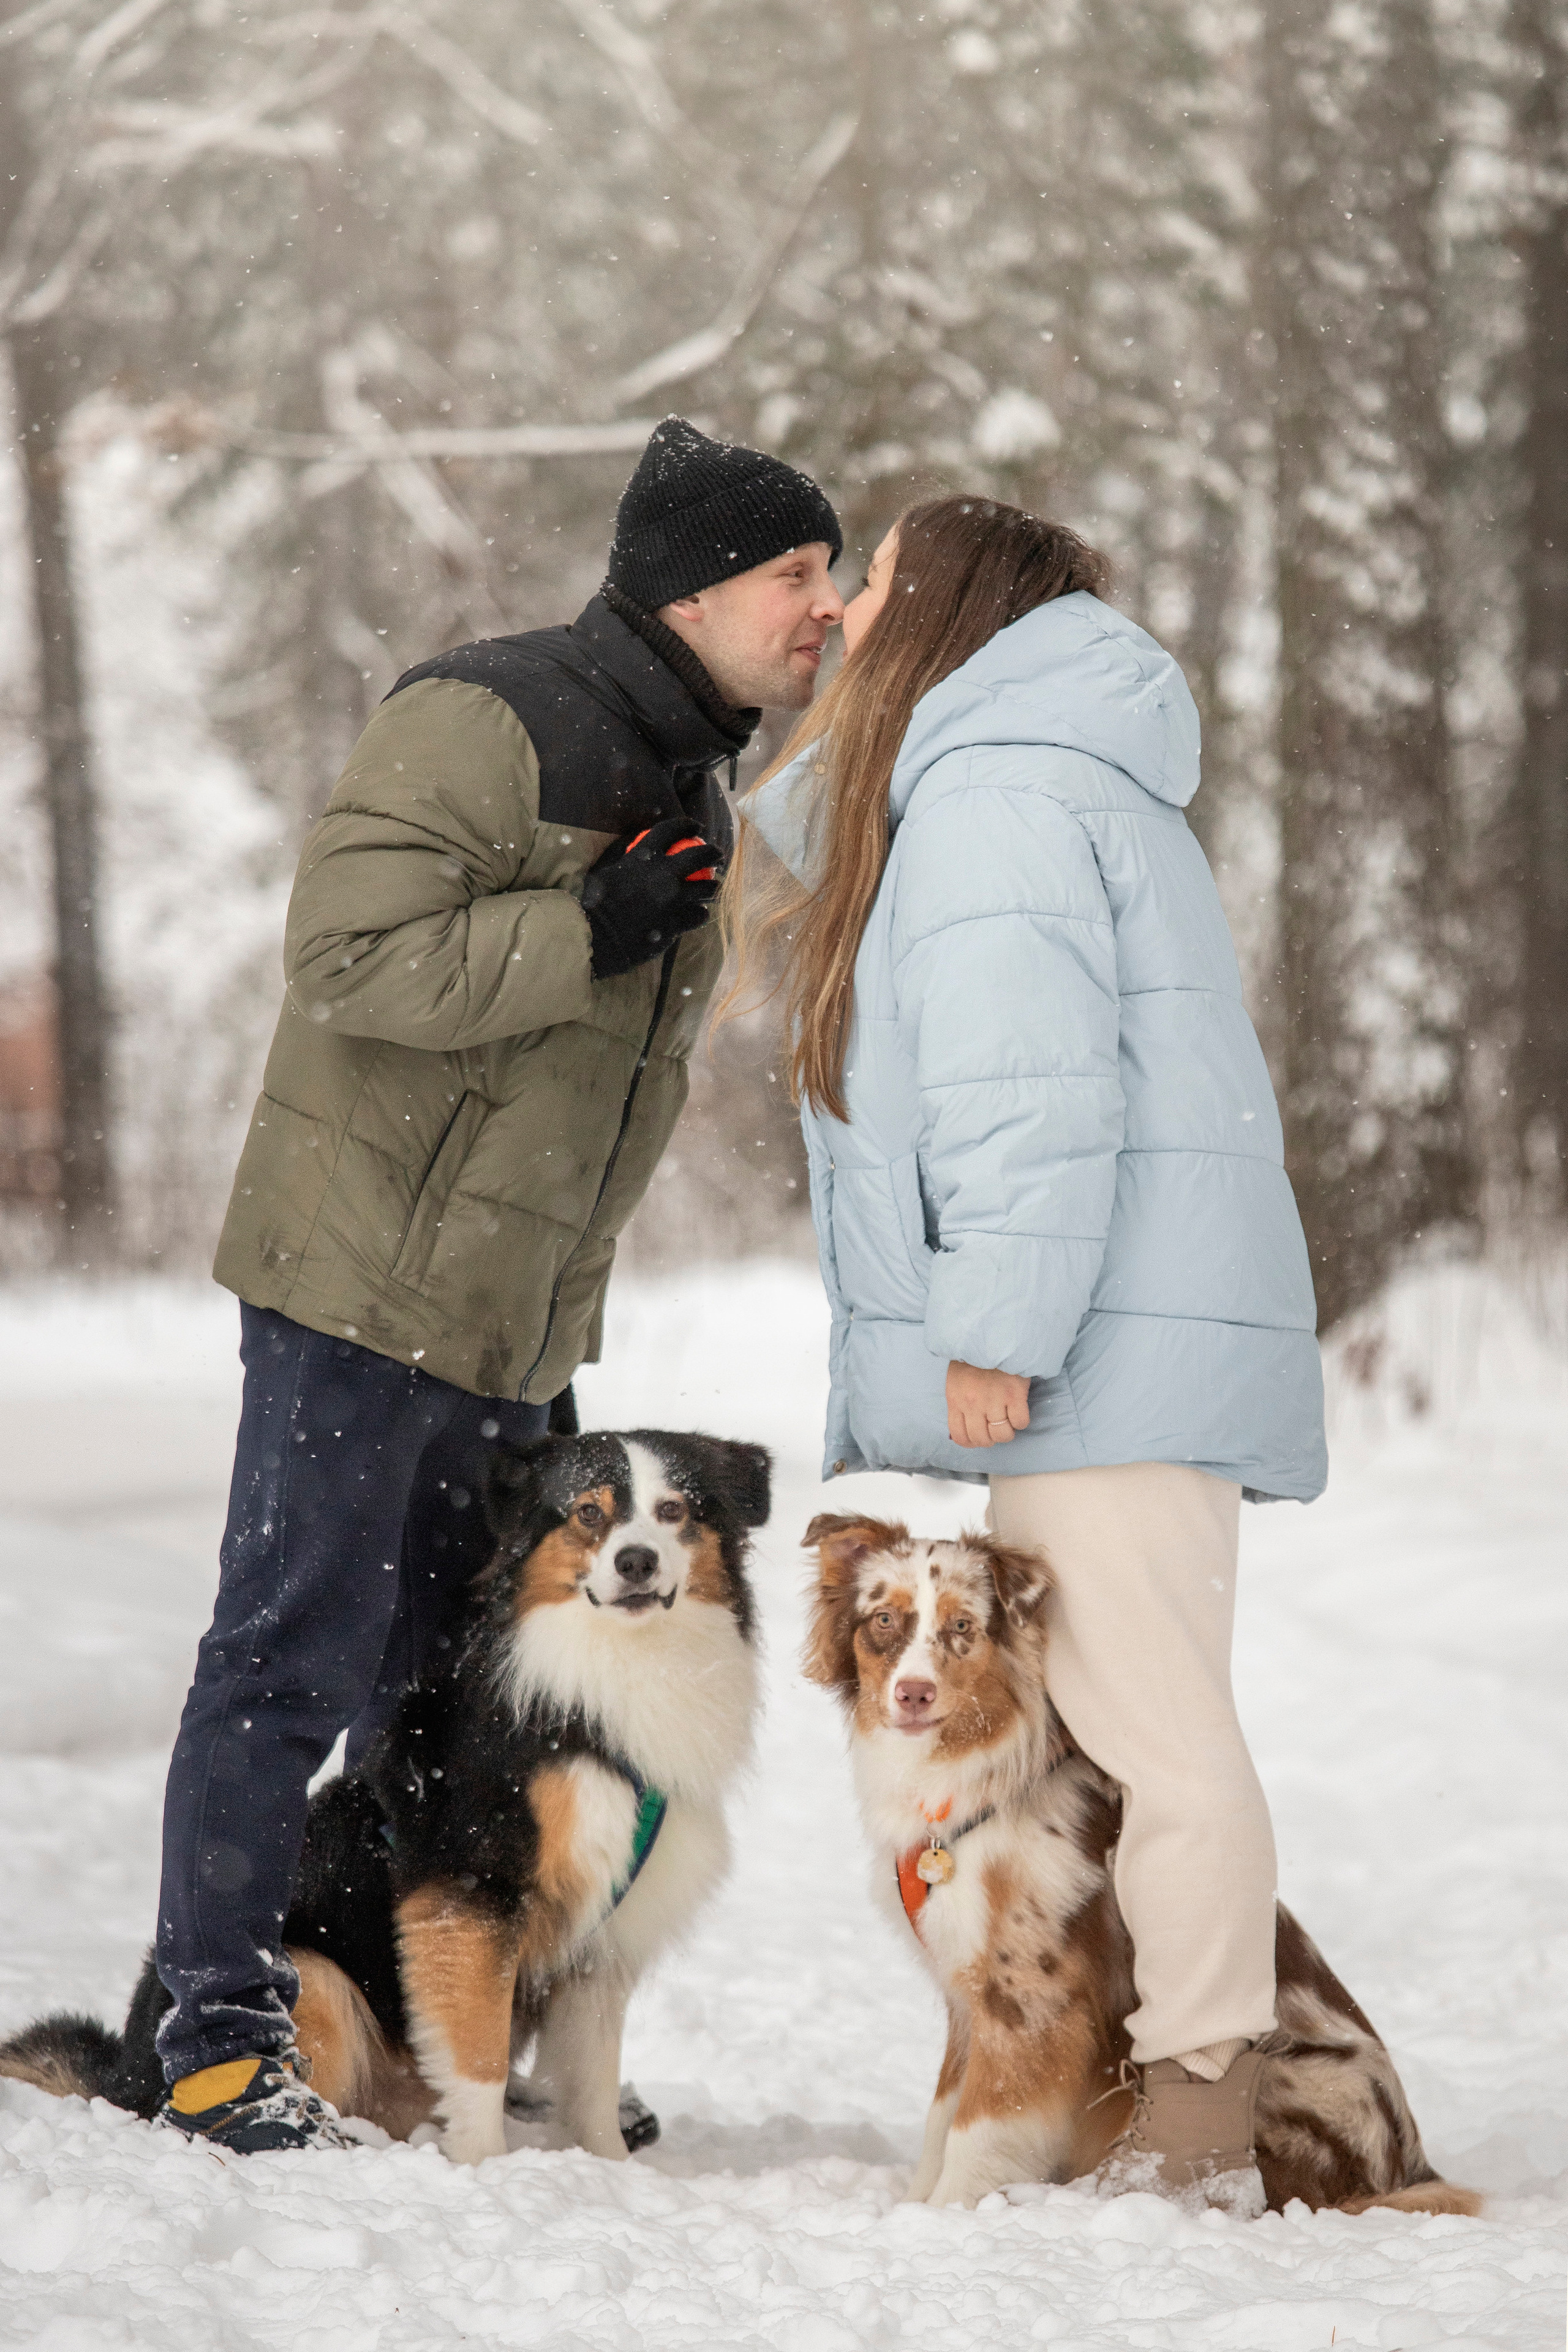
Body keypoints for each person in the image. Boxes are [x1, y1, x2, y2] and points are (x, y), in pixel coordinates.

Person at [154, 418, 845, 2153]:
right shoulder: (487, 713)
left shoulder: (692, 768)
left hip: (512, 1314)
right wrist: (586, 924)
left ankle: (438, 2027)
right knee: (288, 1658)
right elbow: (349, 957)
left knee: (461, 1695)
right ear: (694, 593)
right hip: (366, 1282)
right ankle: (220, 2031)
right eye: (795, 575)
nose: (822, 609)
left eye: (831, 576)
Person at [728, 494, 1326, 2211]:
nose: (840, 610)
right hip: (1125, 1327)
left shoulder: (995, 795)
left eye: (876, 581)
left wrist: (996, 1322)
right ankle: (1134, 2094)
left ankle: (1204, 2130)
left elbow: (1030, 1092)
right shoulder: (1034, 770)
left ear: (951, 607)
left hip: (1097, 1341)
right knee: (1129, 1741)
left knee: (1161, 1742)